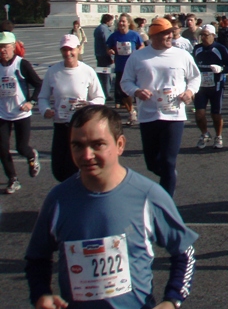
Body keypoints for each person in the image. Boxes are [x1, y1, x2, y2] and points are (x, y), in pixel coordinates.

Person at [25, 105, 197, 309]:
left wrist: (172, 300)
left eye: (98, 145)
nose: (87, 155)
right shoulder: (58, 199)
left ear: (120, 144)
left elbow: (184, 251)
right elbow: (37, 257)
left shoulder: (147, 195)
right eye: (78, 146)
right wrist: (41, 294)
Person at [120, 17, 201, 196]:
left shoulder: (182, 55)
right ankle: (168, 175)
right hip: (148, 114)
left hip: (174, 115)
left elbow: (195, 77)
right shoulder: (138, 56)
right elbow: (125, 82)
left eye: (170, 33)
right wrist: (137, 91)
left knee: (168, 161)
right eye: (165, 34)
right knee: (152, 163)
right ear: (154, 35)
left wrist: (189, 92)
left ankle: (166, 204)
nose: (169, 36)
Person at [37, 34, 105, 181]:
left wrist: (89, 106)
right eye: (64, 50)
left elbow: (100, 98)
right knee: (59, 168)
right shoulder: (53, 72)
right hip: (61, 125)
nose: (68, 53)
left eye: (71, 49)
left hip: (81, 126)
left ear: (79, 49)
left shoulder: (87, 71)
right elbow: (43, 97)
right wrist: (46, 110)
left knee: (77, 166)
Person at [0, 31, 42, 194]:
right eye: (0, 47)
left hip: (21, 113)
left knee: (21, 147)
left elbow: (39, 84)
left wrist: (31, 102)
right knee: (2, 149)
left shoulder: (21, 64)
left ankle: (31, 156)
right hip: (2, 113)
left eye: (5, 47)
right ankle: (13, 179)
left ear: (13, 47)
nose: (3, 50)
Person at [192, 24, 228, 150]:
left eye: (206, 35)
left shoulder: (220, 48)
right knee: (199, 114)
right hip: (201, 86)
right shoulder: (197, 49)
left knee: (216, 114)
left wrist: (221, 69)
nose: (203, 38)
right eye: (202, 35)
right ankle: (204, 133)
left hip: (216, 85)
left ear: (213, 36)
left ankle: (218, 135)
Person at [106, 13, 144, 126]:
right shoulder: (114, 36)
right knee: (123, 92)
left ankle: (141, 110)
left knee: (139, 89)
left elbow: (141, 45)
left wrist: (137, 52)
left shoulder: (134, 35)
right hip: (120, 66)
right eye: (120, 22)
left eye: (124, 21)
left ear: (128, 23)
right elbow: (108, 47)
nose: (121, 23)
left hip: (134, 66)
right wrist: (110, 51)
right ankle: (131, 111)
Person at [93, 14, 115, 100]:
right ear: (107, 21)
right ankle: (106, 94)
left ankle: (101, 92)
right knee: (106, 75)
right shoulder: (104, 29)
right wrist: (111, 56)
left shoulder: (98, 28)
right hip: (105, 56)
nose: (112, 23)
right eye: (111, 21)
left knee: (101, 74)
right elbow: (107, 42)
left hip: (99, 54)